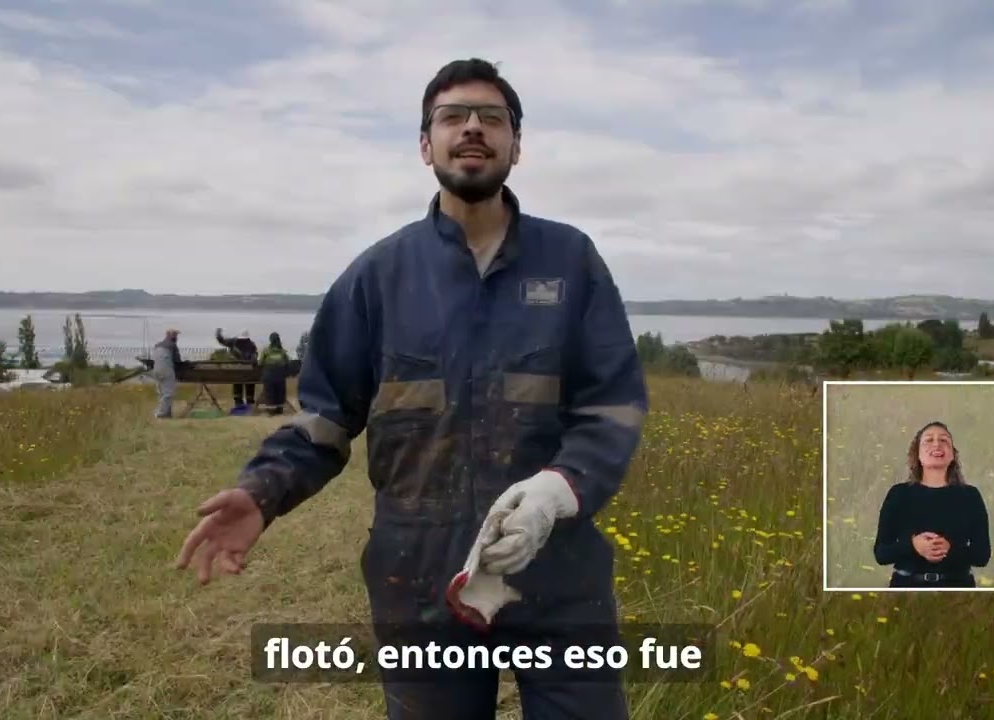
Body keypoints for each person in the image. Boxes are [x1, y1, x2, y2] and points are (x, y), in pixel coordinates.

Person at [174, 58, 647, 719]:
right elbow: (324, 419)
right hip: (417, 578)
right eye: (453, 117)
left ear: (517, 144)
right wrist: (263, 491)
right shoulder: (377, 277)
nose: (473, 129)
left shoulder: (572, 262)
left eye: (492, 118)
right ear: (426, 145)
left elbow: (613, 406)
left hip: (558, 571)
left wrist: (557, 489)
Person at [873, 421, 992, 588]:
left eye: (944, 440)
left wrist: (950, 549)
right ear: (918, 454)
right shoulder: (899, 494)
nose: (937, 443)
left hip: (958, 588)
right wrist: (913, 545)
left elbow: (982, 556)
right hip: (906, 587)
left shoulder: (970, 496)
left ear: (952, 455)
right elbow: (881, 553)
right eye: (928, 440)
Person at [215, 328, 258, 408]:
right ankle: (250, 401)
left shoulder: (233, 342)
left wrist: (218, 334)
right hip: (249, 374)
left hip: (236, 372)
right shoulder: (252, 344)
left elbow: (222, 341)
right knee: (250, 378)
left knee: (237, 375)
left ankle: (238, 401)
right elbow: (255, 358)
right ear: (248, 337)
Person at [150, 329, 182, 418]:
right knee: (168, 394)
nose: (176, 337)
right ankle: (159, 414)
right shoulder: (172, 345)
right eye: (175, 335)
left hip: (156, 370)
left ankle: (167, 414)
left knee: (161, 393)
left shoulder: (157, 345)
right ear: (170, 336)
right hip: (166, 369)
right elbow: (177, 361)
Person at [257, 332, 291, 415]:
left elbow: (260, 363)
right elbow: (288, 363)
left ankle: (271, 410)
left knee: (269, 392)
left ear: (270, 340)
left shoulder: (266, 350)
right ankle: (279, 410)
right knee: (280, 392)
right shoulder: (282, 351)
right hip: (280, 377)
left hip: (268, 376)